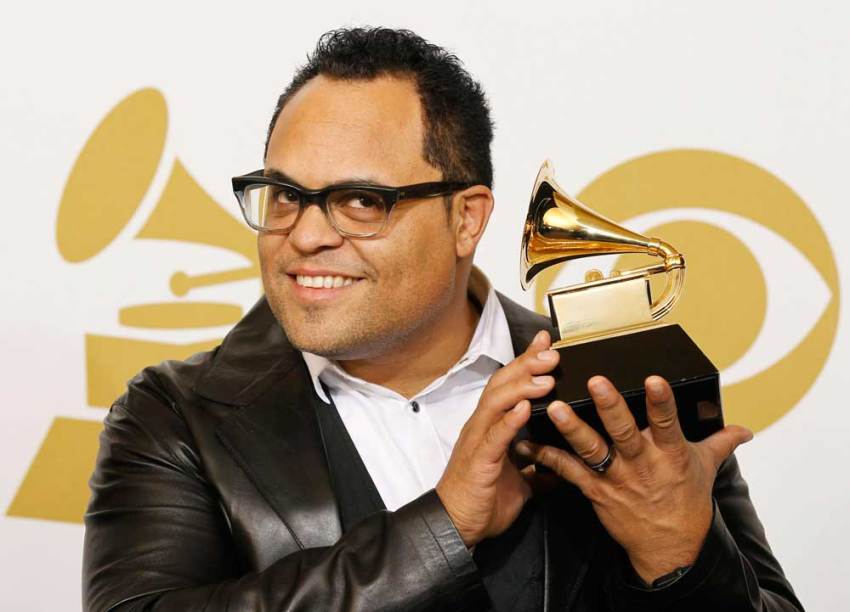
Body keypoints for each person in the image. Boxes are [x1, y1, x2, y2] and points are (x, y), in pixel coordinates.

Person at [82, 27, 803, 611]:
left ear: (467, 219)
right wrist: (444, 525)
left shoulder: (621, 387)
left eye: (361, 201)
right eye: (284, 194)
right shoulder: (172, 416)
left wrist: (679, 554)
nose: (304, 236)